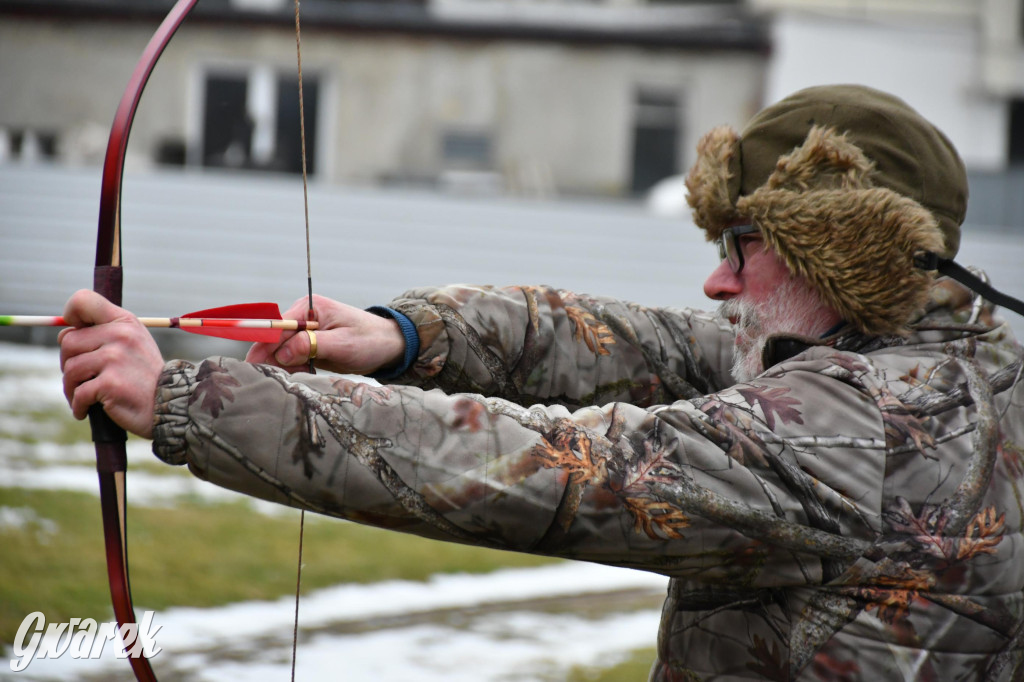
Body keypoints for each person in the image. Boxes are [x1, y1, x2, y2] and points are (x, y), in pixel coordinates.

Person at [60, 85, 1024, 680]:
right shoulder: (960, 366)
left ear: (840, 255)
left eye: (744, 248)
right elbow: (629, 341)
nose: (717, 281)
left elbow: (539, 469)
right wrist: (402, 338)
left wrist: (190, 399)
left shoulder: (862, 429)